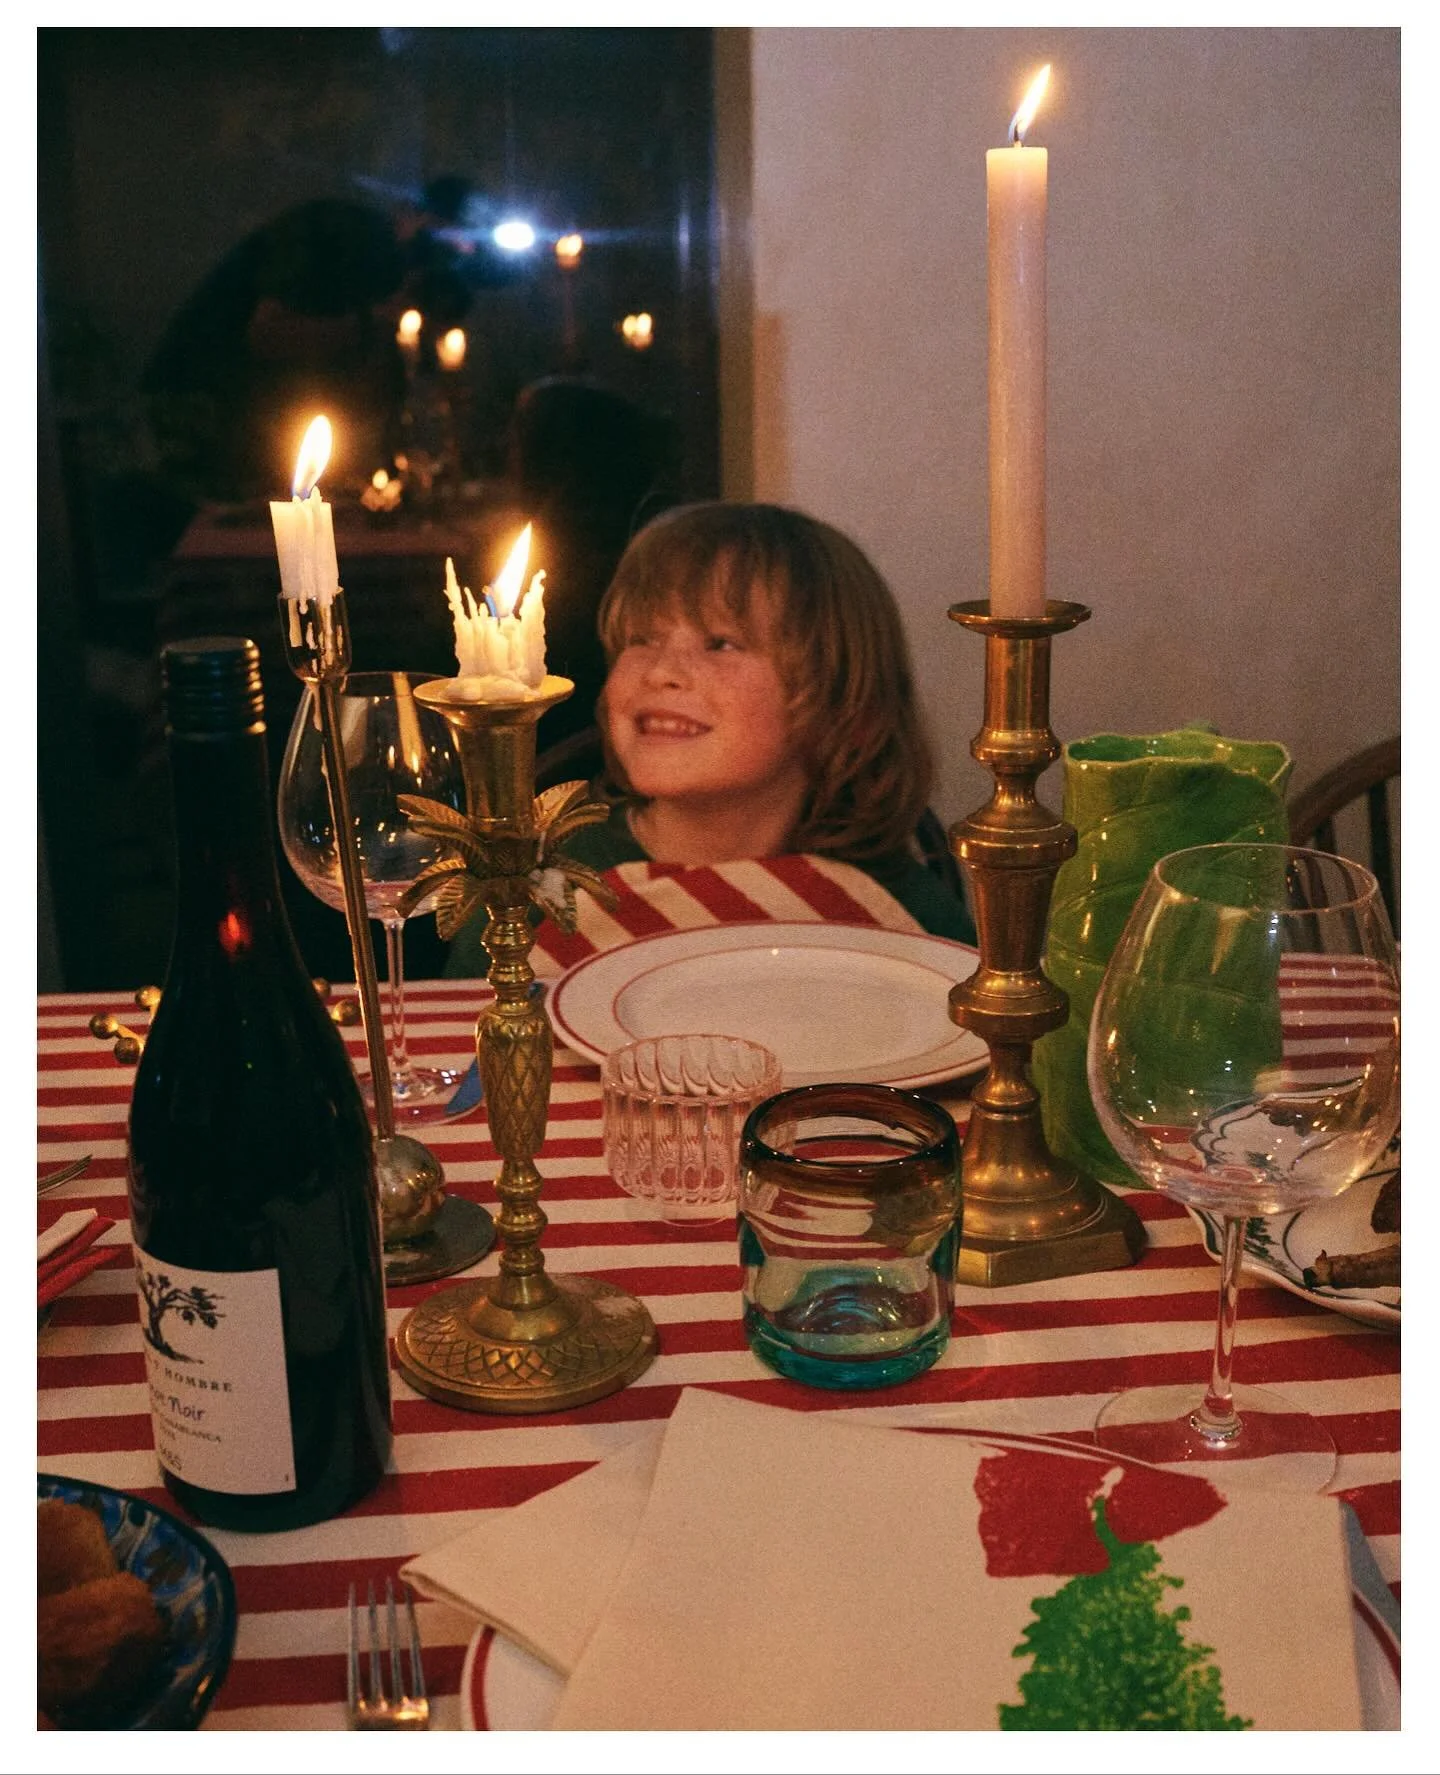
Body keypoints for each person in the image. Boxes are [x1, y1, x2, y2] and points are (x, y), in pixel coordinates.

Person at [447, 501, 974, 975]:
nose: (661, 672)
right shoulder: (529, 885)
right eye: (642, 639)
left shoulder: (898, 915)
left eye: (720, 643)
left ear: (842, 705)